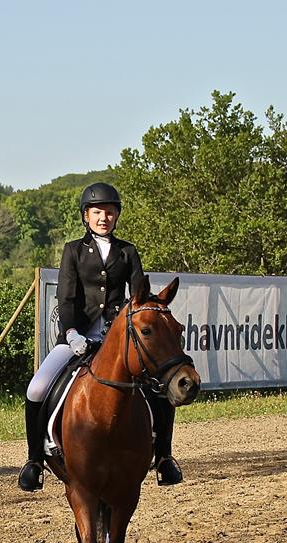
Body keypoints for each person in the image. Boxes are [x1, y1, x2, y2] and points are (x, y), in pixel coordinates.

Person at [17, 182, 183, 491]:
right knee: (37, 388)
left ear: (116, 216)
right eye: (97, 212)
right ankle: (34, 461)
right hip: (76, 337)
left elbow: (138, 297)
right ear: (86, 216)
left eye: (109, 212)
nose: (103, 218)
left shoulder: (127, 251)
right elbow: (65, 299)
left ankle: (164, 458)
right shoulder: (73, 251)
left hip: (116, 340)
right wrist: (71, 333)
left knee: (159, 389)